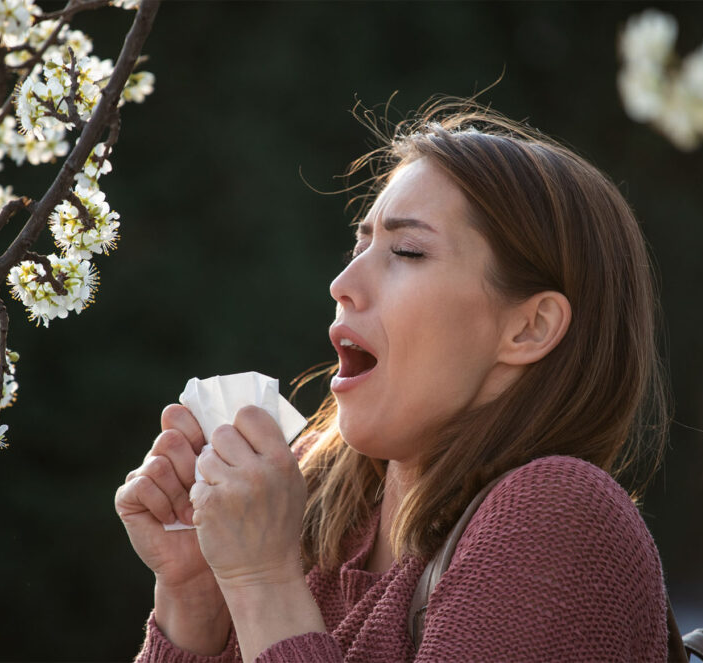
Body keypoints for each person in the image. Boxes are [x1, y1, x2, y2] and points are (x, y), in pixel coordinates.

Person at [115, 99, 671, 662]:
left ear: (530, 328)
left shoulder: (558, 516)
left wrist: (262, 582)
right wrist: (195, 598)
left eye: (407, 251)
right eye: (359, 246)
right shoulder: (311, 519)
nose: (342, 283)